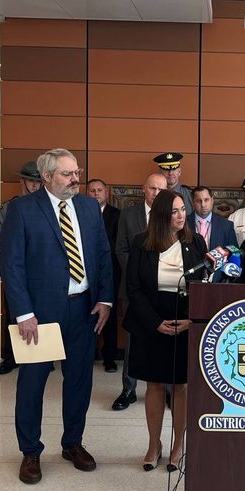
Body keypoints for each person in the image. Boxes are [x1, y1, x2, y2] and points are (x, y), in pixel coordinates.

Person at [0, 149, 113, 485]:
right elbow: (12, 265)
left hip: (84, 308)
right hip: (40, 314)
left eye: (76, 172)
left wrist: (105, 298)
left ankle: (72, 443)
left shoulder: (89, 207)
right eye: (66, 174)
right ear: (46, 176)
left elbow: (102, 255)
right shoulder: (21, 210)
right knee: (33, 382)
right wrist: (23, 313)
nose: (75, 179)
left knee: (79, 379)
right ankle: (30, 451)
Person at [124, 189, 207, 472]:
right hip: (152, 324)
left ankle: (178, 445)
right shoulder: (141, 243)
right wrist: (154, 321)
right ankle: (153, 444)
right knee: (155, 384)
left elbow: (203, 286)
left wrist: (192, 321)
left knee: (181, 385)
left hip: (184, 323)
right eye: (174, 211)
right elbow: (133, 289)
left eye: (183, 209)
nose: (181, 215)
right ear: (161, 215)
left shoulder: (196, 242)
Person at [112, 172, 167, 411]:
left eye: (161, 190)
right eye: (152, 188)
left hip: (164, 291)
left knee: (165, 340)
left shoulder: (171, 216)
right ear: (143, 189)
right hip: (134, 289)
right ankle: (128, 389)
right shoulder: (128, 215)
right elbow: (121, 249)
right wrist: (141, 274)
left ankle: (165, 390)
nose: (156, 194)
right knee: (133, 339)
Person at [0, 161, 44, 375]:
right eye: (31, 181)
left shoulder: (47, 207)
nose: (35, 186)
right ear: (22, 181)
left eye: (38, 182)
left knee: (41, 312)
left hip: (41, 271)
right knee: (14, 313)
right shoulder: (9, 207)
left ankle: (42, 356)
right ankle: (11, 356)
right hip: (15, 270)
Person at [87, 178, 121, 372]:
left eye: (100, 190)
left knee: (110, 314)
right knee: (88, 314)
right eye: (92, 190)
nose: (96, 193)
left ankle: (109, 357)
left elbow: (116, 243)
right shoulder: (82, 214)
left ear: (106, 193)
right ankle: (89, 354)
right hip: (87, 273)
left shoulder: (116, 215)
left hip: (110, 271)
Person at [187, 186, 237, 250]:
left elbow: (235, 254)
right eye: (198, 201)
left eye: (206, 200)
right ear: (193, 202)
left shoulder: (226, 226)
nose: (203, 205)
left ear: (212, 200)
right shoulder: (184, 224)